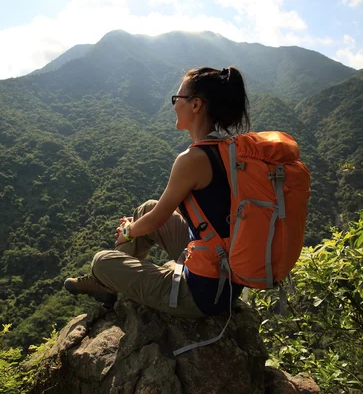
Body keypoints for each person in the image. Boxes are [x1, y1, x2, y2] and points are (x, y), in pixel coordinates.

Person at [64, 66, 250, 318]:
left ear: (195, 105)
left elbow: (160, 218)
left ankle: (105, 280)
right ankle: (107, 284)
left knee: (101, 260)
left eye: (178, 99)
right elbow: (157, 213)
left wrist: (128, 232)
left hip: (202, 292)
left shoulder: (192, 159)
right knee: (147, 209)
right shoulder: (229, 149)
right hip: (223, 267)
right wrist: (138, 226)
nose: (174, 105)